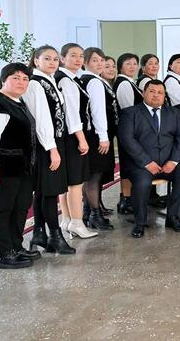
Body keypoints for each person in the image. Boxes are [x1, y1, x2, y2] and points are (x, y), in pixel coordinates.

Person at [0, 63, 40, 269]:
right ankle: (3, 254)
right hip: (3, 169)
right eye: (16, 78)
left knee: (20, 208)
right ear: (4, 80)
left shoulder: (17, 102)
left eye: (25, 79)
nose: (21, 82)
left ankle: (15, 247)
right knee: (2, 210)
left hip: (21, 168)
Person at [118, 80, 180, 237]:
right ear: (143, 93)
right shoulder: (130, 113)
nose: (156, 95)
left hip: (168, 163)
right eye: (152, 91)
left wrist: (173, 161)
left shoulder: (173, 113)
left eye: (160, 92)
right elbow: (127, 140)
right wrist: (146, 162)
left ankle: (173, 217)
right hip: (141, 165)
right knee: (142, 183)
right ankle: (140, 223)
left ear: (164, 96)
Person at [23, 46, 75, 254]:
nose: (53, 62)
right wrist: (52, 149)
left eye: (55, 59)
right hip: (46, 144)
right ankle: (55, 236)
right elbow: (42, 119)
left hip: (53, 142)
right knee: (50, 192)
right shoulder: (35, 83)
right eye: (47, 58)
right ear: (36, 60)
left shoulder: (49, 80)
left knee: (44, 191)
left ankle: (39, 233)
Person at [53, 43, 96, 239]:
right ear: (63, 58)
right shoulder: (66, 81)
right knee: (75, 183)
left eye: (81, 56)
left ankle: (67, 220)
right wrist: (81, 139)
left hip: (66, 136)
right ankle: (77, 223)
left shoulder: (66, 78)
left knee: (68, 181)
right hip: (73, 137)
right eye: (73, 55)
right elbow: (71, 114)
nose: (78, 59)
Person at [80, 47, 118, 231]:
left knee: (93, 175)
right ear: (85, 62)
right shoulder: (94, 81)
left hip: (92, 134)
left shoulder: (88, 79)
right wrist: (103, 136)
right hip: (97, 136)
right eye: (95, 60)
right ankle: (95, 215)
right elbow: (97, 111)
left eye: (102, 60)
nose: (100, 64)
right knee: (94, 176)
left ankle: (88, 211)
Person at [114, 53, 143, 215]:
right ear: (120, 66)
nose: (132, 66)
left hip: (132, 130)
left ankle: (129, 198)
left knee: (131, 164)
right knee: (128, 165)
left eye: (134, 63)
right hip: (129, 130)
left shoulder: (130, 82)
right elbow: (128, 110)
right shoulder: (124, 84)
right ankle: (126, 199)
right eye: (128, 64)